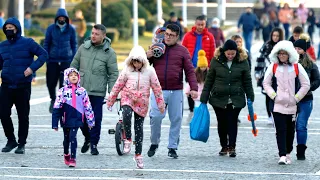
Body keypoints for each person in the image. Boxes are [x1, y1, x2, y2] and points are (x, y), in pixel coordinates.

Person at [107, 45, 165, 169]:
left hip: (142, 102)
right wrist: (111, 99)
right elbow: (118, 85)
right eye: (134, 61)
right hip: (128, 97)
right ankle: (128, 138)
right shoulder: (127, 70)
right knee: (126, 115)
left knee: (139, 128)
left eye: (138, 61)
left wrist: (161, 104)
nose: (136, 64)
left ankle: (138, 155)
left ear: (143, 61)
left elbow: (157, 88)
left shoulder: (150, 71)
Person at [146, 24, 198, 159]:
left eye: (171, 35)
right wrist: (147, 56)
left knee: (176, 119)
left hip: (176, 90)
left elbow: (190, 71)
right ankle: (154, 143)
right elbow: (142, 65)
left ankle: (172, 147)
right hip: (158, 90)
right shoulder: (156, 47)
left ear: (177, 37)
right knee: (156, 117)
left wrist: (193, 88)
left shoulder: (183, 51)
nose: (168, 37)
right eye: (166, 34)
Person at [0, 17, 47, 154]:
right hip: (6, 85)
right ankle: (11, 140)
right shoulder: (2, 45)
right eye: (6, 28)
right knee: (3, 114)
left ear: (17, 28)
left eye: (11, 28)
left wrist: (32, 69)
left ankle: (21, 143)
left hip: (23, 85)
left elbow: (43, 55)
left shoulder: (28, 43)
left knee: (23, 116)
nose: (9, 30)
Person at [200, 39, 254, 157]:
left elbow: (247, 80)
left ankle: (232, 147)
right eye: (228, 54)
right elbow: (209, 80)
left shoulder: (243, 61)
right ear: (224, 52)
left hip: (236, 98)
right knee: (222, 122)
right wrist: (204, 96)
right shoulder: (216, 61)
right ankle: (224, 146)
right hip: (218, 98)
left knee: (232, 122)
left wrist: (250, 96)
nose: (230, 56)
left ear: (236, 52)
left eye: (232, 54)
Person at [71, 24, 119, 155]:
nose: (93, 36)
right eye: (92, 33)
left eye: (97, 34)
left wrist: (112, 92)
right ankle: (87, 137)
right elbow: (73, 67)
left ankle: (93, 144)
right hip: (81, 90)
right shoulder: (83, 48)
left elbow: (113, 74)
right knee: (80, 119)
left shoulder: (109, 53)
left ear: (104, 36)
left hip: (97, 92)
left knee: (95, 119)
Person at [263, 40, 310, 165]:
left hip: (292, 106)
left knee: (290, 131)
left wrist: (296, 98)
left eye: (284, 53)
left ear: (289, 54)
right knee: (280, 130)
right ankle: (282, 155)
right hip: (277, 105)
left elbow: (306, 84)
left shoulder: (296, 67)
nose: (282, 55)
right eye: (280, 53)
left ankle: (288, 152)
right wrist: (274, 96)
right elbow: (266, 83)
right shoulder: (273, 66)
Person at [52, 68, 95, 168]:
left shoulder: (82, 91)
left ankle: (73, 158)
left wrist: (90, 121)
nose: (74, 77)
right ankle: (66, 153)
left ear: (79, 77)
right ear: (67, 78)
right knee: (66, 139)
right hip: (66, 119)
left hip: (77, 119)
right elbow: (57, 107)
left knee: (73, 137)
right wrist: (55, 123)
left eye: (76, 75)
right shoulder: (62, 91)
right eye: (71, 75)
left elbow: (87, 106)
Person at [182, 15, 215, 121]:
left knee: (203, 87)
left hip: (204, 68)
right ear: (195, 24)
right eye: (198, 24)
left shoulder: (209, 36)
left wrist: (211, 66)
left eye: (202, 24)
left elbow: (213, 52)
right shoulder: (187, 36)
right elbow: (183, 50)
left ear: (205, 25)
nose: (200, 26)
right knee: (189, 86)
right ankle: (192, 108)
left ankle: (202, 104)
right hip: (190, 67)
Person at [44, 8, 77, 113]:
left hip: (66, 60)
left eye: (63, 18)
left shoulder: (71, 29)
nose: (61, 19)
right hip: (52, 60)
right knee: (51, 82)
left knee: (64, 83)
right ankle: (53, 99)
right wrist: (47, 57)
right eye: (60, 18)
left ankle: (61, 102)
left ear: (66, 19)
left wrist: (73, 59)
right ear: (57, 18)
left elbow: (74, 44)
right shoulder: (51, 29)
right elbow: (46, 43)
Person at [293, 34, 320, 160]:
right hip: (290, 100)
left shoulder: (311, 64)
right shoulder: (289, 63)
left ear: (304, 50)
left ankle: (301, 150)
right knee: (288, 126)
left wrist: (307, 88)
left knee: (301, 125)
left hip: (306, 99)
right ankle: (285, 150)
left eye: (299, 49)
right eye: (295, 48)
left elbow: (317, 80)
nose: (297, 51)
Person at [255, 27, 284, 124]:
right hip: (267, 74)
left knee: (278, 95)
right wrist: (257, 73)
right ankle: (269, 115)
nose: (275, 37)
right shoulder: (266, 46)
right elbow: (260, 59)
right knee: (268, 95)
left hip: (280, 75)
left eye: (277, 36)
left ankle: (277, 114)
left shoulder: (283, 46)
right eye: (273, 35)